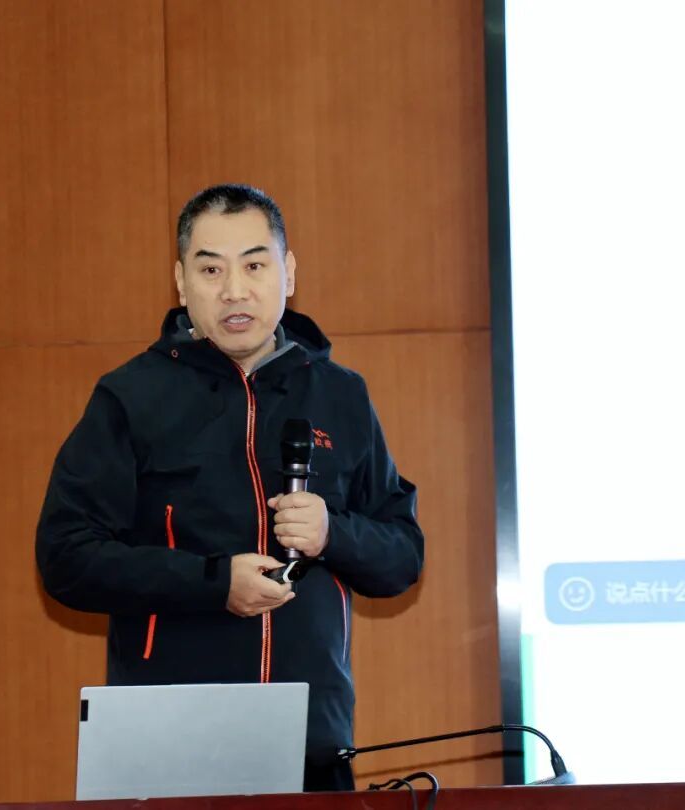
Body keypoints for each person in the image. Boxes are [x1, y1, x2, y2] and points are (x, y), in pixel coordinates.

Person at [36, 184, 424, 792]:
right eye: (211, 269)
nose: (235, 290)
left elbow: (402, 556)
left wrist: (333, 534)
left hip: (311, 741)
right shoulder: (131, 396)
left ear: (288, 273)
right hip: (166, 740)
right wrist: (214, 584)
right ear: (180, 281)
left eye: (255, 265)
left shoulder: (340, 394)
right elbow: (66, 557)